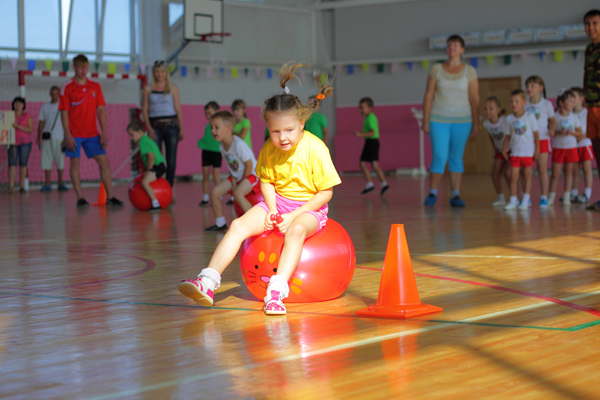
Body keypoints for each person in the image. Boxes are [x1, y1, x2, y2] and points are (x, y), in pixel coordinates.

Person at [178, 62, 341, 315]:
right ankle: (208, 281)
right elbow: (266, 181)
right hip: (278, 203)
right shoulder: (268, 148)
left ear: (301, 124)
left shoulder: (316, 148)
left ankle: (276, 291)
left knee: (295, 231)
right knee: (237, 225)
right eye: (275, 131)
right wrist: (273, 210)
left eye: (288, 130)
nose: (282, 138)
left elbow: (325, 193)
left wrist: (293, 216)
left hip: (309, 209)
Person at [422, 35, 479, 208]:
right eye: (449, 45)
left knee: (456, 157)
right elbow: (429, 95)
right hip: (438, 118)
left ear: (462, 49)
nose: (451, 47)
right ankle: (433, 192)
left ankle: (455, 195)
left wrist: (476, 123)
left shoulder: (470, 71)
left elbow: (475, 98)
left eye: (455, 45)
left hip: (463, 120)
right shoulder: (436, 69)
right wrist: (425, 120)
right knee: (440, 155)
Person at [204, 110, 259, 232]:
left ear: (229, 128)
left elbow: (248, 164)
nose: (213, 131)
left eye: (216, 128)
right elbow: (232, 166)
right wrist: (233, 181)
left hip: (252, 174)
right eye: (211, 128)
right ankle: (220, 223)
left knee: (238, 193)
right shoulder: (222, 146)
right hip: (237, 176)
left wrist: (240, 184)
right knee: (214, 192)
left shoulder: (238, 144)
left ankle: (257, 223)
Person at [142, 60, 184, 187]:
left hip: (172, 127)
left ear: (166, 73)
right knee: (155, 158)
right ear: (154, 73)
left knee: (171, 161)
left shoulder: (173, 87)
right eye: (157, 72)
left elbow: (177, 108)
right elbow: (144, 110)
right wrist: (149, 128)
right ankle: (154, 186)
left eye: (162, 72)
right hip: (155, 127)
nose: (160, 74)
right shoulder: (148, 88)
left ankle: (169, 188)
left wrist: (181, 128)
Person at [502, 90, 539, 211]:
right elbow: (508, 136)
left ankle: (525, 199)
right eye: (511, 101)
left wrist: (537, 150)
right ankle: (513, 200)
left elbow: (536, 135)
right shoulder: (509, 119)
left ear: (524, 102)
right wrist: (504, 150)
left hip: (528, 153)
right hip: (515, 152)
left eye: (516, 101)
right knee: (513, 177)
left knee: (527, 177)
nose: (514, 104)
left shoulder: (530, 116)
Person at [525, 76, 556, 208]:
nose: (529, 89)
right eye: (527, 86)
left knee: (542, 169)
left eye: (533, 86)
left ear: (540, 88)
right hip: (527, 141)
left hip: (542, 139)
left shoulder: (546, 104)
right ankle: (526, 197)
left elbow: (553, 120)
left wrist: (551, 129)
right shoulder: (524, 104)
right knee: (526, 170)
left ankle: (544, 197)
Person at [549, 90, 583, 207]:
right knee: (555, 173)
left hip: (571, 148)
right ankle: (551, 198)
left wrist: (571, 133)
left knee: (569, 173)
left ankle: (567, 197)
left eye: (574, 102)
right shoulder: (555, 116)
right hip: (558, 148)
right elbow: (551, 132)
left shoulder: (574, 117)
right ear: (562, 103)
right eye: (570, 101)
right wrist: (559, 132)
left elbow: (580, 133)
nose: (572, 104)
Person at [127, 121, 167, 211]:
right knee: (144, 180)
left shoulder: (142, 141)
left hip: (157, 166)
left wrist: (149, 170)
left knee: (144, 182)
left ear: (140, 132)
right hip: (158, 166)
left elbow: (151, 156)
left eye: (132, 135)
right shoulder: (145, 139)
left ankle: (156, 204)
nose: (130, 138)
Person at [583, 9, 600, 211]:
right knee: (598, 154)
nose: (591, 28)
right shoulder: (589, 49)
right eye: (588, 24)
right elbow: (586, 76)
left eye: (595, 23)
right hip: (591, 107)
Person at [354, 97, 389, 195]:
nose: (360, 110)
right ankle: (383, 183)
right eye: (360, 108)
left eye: (362, 108)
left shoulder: (370, 118)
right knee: (373, 164)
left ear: (370, 107)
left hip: (372, 142)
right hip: (371, 142)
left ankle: (370, 184)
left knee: (363, 163)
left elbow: (372, 132)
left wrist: (360, 134)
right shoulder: (369, 118)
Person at [38, 86, 67, 192]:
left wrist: (66, 137)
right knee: (46, 160)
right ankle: (47, 183)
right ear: (50, 94)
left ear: (59, 94)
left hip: (59, 138)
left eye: (56, 94)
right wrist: (38, 136)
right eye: (52, 94)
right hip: (47, 137)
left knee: (60, 160)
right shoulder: (45, 107)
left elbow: (66, 123)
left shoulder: (63, 106)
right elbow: (41, 122)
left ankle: (60, 182)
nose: (54, 96)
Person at [482, 96, 510, 207]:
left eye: (491, 108)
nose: (487, 111)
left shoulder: (505, 121)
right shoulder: (486, 124)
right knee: (495, 174)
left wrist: (505, 150)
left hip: (509, 150)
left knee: (508, 174)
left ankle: (514, 197)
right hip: (500, 151)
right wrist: (495, 149)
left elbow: (510, 136)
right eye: (485, 108)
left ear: (498, 110)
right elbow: (491, 137)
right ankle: (501, 198)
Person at [570, 87, 594, 203]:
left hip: (585, 144)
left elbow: (589, 130)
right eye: (569, 98)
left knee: (586, 169)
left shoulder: (587, 113)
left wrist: (580, 136)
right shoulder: (570, 115)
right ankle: (573, 193)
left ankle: (587, 194)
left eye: (573, 97)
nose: (571, 100)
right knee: (574, 170)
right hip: (574, 146)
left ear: (581, 98)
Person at [5, 97, 33, 194]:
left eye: (20, 103)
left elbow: (30, 129)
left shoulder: (27, 115)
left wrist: (18, 126)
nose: (17, 106)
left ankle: (22, 186)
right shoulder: (9, 115)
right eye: (16, 103)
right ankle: (11, 186)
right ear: (13, 105)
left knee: (23, 163)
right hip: (12, 142)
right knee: (12, 163)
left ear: (23, 105)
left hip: (25, 142)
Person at [198, 101, 222, 206]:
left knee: (216, 175)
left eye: (210, 113)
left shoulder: (219, 126)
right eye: (206, 114)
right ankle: (205, 198)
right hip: (206, 152)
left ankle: (219, 196)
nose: (208, 116)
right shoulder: (207, 126)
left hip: (217, 152)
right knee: (205, 175)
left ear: (217, 112)